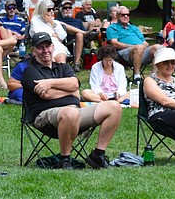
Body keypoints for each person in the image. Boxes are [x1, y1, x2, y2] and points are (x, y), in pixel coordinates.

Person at [21, 32, 123, 169]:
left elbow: (75, 85)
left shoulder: (63, 67)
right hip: (44, 117)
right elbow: (47, 95)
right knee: (70, 112)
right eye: (40, 48)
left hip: (75, 113)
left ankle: (98, 155)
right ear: (33, 51)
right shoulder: (30, 71)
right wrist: (68, 91)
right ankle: (65, 159)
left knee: (114, 107)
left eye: (47, 46)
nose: (45, 51)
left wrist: (50, 83)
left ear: (53, 47)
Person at [105, 5, 156, 83]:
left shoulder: (134, 28)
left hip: (141, 50)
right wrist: (134, 46)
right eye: (123, 15)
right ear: (118, 16)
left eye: (128, 15)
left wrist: (143, 46)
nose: (126, 16)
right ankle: (137, 76)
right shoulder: (112, 27)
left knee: (158, 47)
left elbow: (145, 42)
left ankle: (154, 76)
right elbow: (114, 43)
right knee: (138, 48)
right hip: (125, 52)